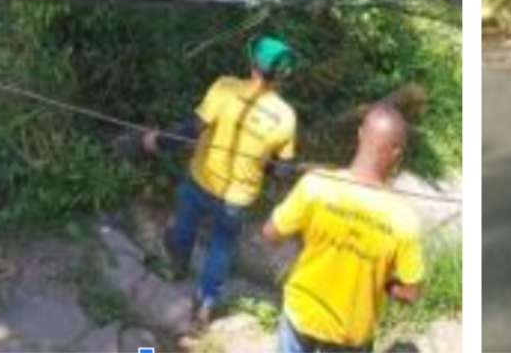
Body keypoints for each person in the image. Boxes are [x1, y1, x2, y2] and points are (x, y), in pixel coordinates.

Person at [142, 36, 298, 327]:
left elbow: (192, 129)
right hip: (237, 198)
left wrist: (157, 141)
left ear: (251, 63)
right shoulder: (286, 117)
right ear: (283, 75)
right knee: (221, 247)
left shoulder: (226, 87)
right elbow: (283, 171)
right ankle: (206, 304)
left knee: (184, 228)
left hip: (202, 179)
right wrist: (264, 162)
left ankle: (176, 269)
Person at [262, 103, 424, 353]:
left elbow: (270, 233)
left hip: (301, 312)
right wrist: (386, 282)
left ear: (360, 135)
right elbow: (411, 293)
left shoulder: (315, 185)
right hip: (351, 332)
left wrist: (308, 238)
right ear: (397, 155)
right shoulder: (403, 219)